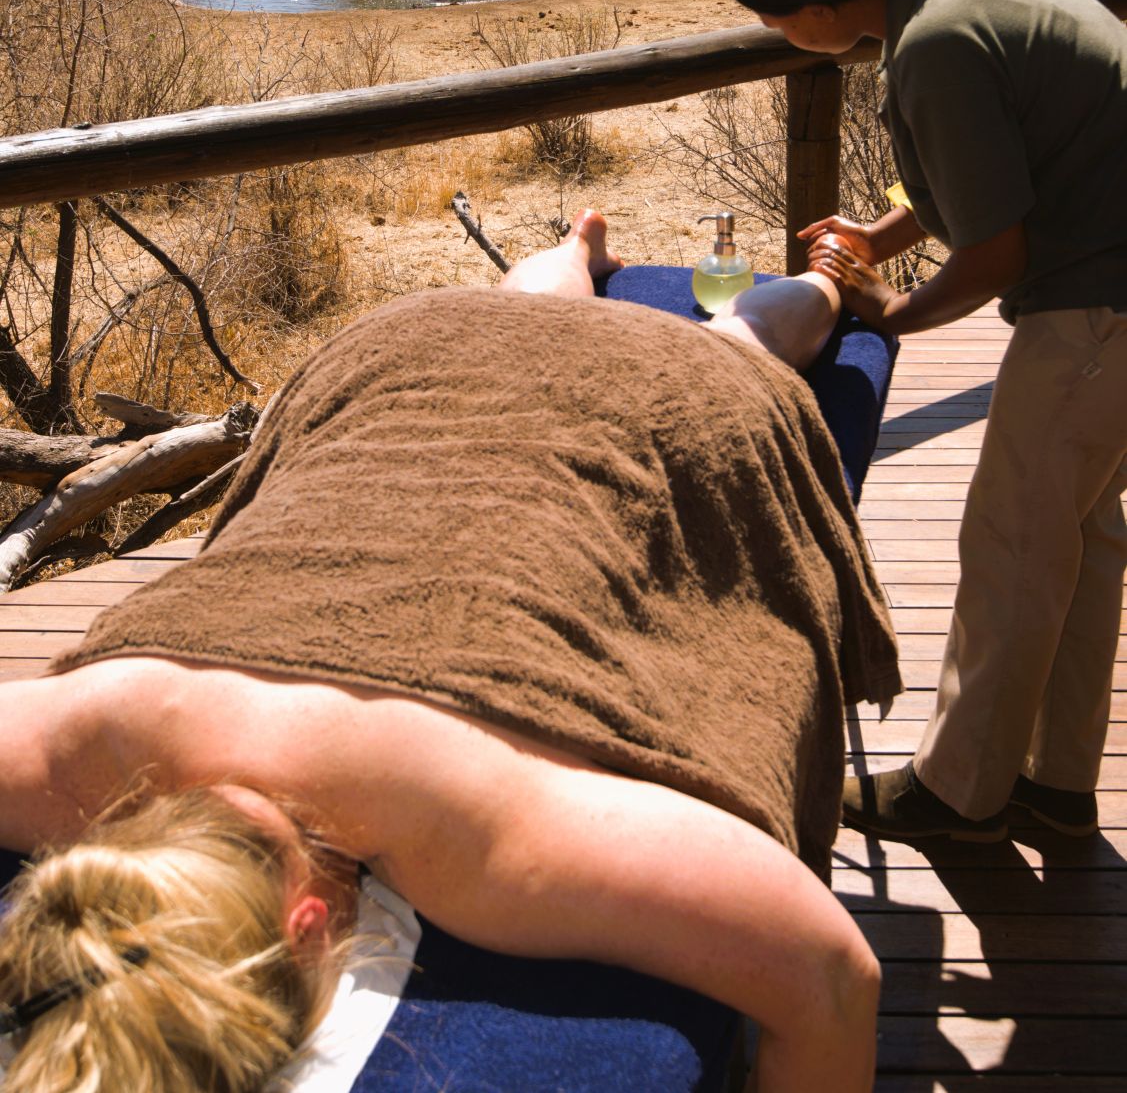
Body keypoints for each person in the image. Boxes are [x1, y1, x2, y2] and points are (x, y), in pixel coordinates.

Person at [0, 213, 897, 1093]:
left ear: (315, 927)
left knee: (742, 343)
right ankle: (578, 252)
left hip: (647, 397)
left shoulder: (488, 838)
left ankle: (828, 279)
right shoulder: (51, 756)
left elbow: (831, 980)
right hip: (397, 360)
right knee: (523, 314)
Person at [724, 0, 1127, 845]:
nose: (782, 36)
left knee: (1012, 546)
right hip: (1107, 286)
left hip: (1097, 306)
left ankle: (957, 793)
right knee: (1077, 538)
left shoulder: (934, 45)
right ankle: (1052, 780)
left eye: (779, 19)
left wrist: (887, 313)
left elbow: (999, 251)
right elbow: (994, 175)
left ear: (821, 8)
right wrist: (879, 231)